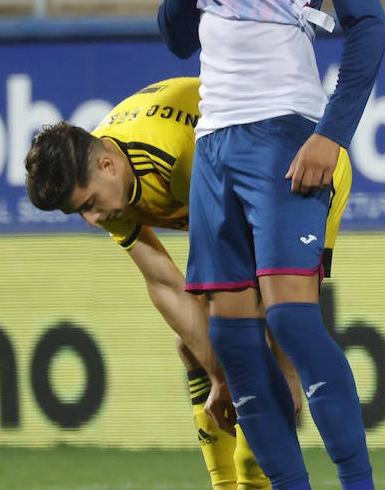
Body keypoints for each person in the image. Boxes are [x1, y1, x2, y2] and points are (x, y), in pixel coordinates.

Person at [143, 0, 385, 490]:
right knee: (234, 344)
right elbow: (177, 38)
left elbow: (368, 23)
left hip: (284, 128)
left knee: (293, 320)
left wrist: (330, 137)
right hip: (215, 140)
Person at [25, 76, 353, 490]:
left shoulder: (179, 155)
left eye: (89, 205)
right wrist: (218, 376)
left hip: (305, 171)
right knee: (197, 347)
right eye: (80, 213)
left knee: (266, 341)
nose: (92, 220)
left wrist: (286, 373)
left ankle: (261, 479)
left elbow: (258, 277)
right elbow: (163, 281)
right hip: (240, 190)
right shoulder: (103, 172)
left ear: (107, 166)